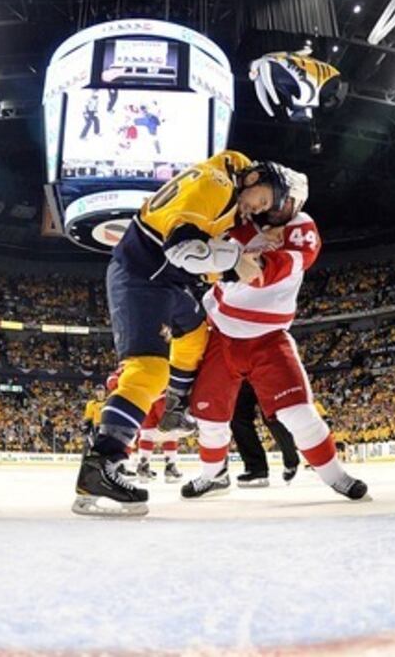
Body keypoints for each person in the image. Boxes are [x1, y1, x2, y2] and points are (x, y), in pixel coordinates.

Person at [72, 150, 287, 516]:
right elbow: (183, 249)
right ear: (250, 179)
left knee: (195, 333)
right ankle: (101, 465)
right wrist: (236, 261)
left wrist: (242, 253)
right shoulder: (215, 184)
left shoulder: (225, 190)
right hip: (140, 278)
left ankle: (175, 407)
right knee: (149, 371)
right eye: (262, 200)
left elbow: (199, 259)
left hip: (168, 283)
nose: (258, 210)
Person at [178, 186, 368, 502]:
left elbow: (285, 263)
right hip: (221, 335)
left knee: (297, 413)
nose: (258, 205)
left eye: (266, 199)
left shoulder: (300, 225)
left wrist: (249, 263)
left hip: (267, 339)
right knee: (209, 418)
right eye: (254, 197)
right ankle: (212, 477)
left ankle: (336, 476)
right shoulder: (231, 219)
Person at [230, 381, 301, 486]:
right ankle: (256, 469)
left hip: (266, 371)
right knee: (238, 418)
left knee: (271, 416)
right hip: (241, 374)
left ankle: (291, 459)